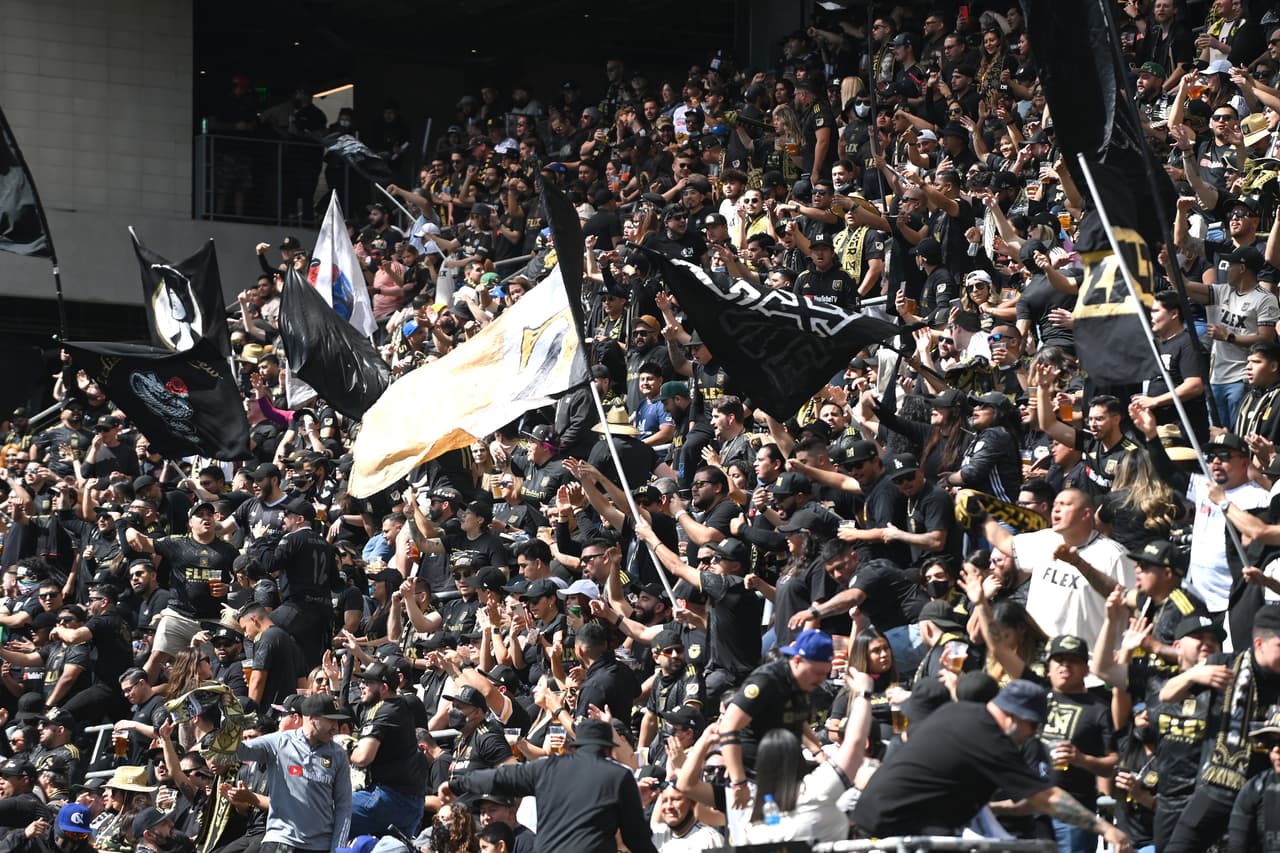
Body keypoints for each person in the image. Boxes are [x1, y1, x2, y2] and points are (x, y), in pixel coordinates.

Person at [852, 679, 1133, 851]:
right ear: (1013, 716)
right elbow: (1046, 797)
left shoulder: (958, 711)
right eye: (1031, 726)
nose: (1032, 734)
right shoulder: (989, 737)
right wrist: (1107, 830)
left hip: (883, 817)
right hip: (900, 825)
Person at [442, 718, 659, 853]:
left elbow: (500, 777)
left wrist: (458, 784)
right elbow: (635, 836)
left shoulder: (547, 768)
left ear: (575, 747)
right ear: (609, 750)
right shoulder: (619, 775)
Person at [232, 694, 352, 853]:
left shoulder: (338, 754)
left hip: (319, 847)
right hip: (281, 840)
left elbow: (344, 806)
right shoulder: (279, 742)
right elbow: (239, 752)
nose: (336, 727)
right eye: (331, 720)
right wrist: (229, 721)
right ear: (311, 719)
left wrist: (339, 849)